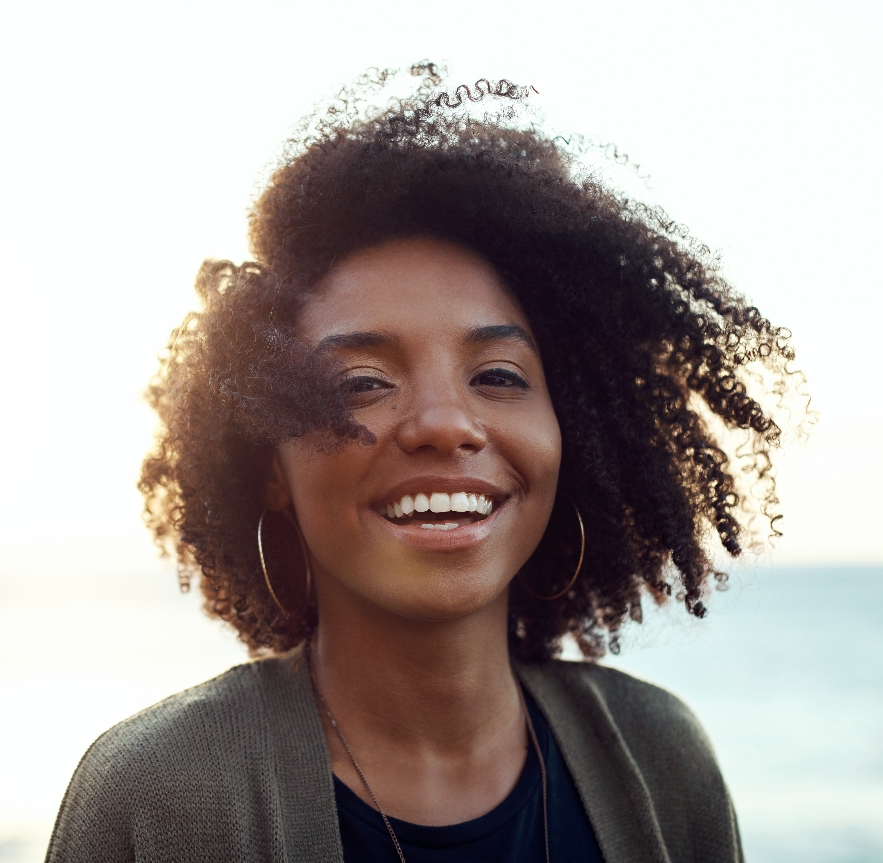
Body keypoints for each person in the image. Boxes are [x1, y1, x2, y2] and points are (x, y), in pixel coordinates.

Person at [46, 66, 802, 863]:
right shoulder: (158, 797)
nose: (445, 423)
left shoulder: (661, 762)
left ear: (570, 429)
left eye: (499, 376)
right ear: (268, 459)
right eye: (363, 384)